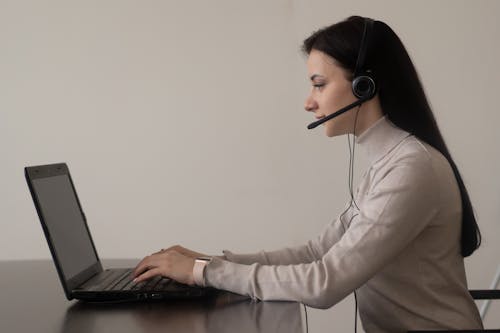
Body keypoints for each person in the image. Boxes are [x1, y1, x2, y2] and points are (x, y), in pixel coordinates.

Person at [132, 16, 483, 332]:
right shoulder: (388, 166)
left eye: (319, 84)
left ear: (364, 87)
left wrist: (202, 273)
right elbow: (317, 251)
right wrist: (206, 262)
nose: (308, 102)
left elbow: (323, 283)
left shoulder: (411, 170)